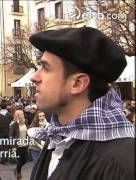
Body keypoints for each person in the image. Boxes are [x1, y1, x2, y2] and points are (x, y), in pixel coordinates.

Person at [28, 27, 135, 180]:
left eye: (45, 67)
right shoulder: (59, 138)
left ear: (78, 83)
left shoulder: (122, 163)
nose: (34, 77)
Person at [9, 109, 28, 180]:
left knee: (25, 160)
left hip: (25, 144)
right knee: (20, 161)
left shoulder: (25, 122)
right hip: (18, 146)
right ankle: (19, 175)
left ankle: (16, 169)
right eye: (21, 114)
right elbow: (10, 135)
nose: (23, 115)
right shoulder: (14, 124)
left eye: (23, 114)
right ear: (17, 116)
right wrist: (13, 146)